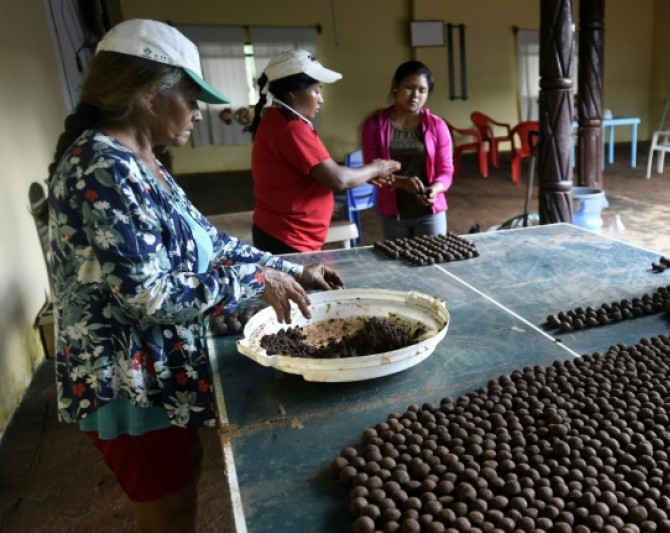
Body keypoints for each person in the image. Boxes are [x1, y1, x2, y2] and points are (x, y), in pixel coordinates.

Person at [46, 19, 343, 533]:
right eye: (190, 96)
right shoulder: (101, 167)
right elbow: (150, 296)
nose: (199, 110)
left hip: (166, 369)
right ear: (147, 94)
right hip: (131, 378)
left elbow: (211, 243)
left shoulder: (146, 161)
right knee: (169, 512)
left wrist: (289, 268)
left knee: (186, 478)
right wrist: (255, 284)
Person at [247, 49, 400, 253]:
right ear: (293, 92)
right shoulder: (291, 128)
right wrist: (375, 168)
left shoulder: (279, 119)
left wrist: (362, 176)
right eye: (316, 90)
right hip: (288, 238)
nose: (321, 99)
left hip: (284, 234)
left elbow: (317, 171)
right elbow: (337, 179)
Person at [361, 61, 454, 239]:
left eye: (422, 90)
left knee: (431, 262)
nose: (415, 96)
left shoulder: (437, 125)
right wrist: (402, 182)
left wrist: (434, 189)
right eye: (409, 87)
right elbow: (370, 172)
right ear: (395, 85)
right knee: (398, 263)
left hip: (430, 213)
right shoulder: (373, 125)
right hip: (392, 215)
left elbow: (446, 171)